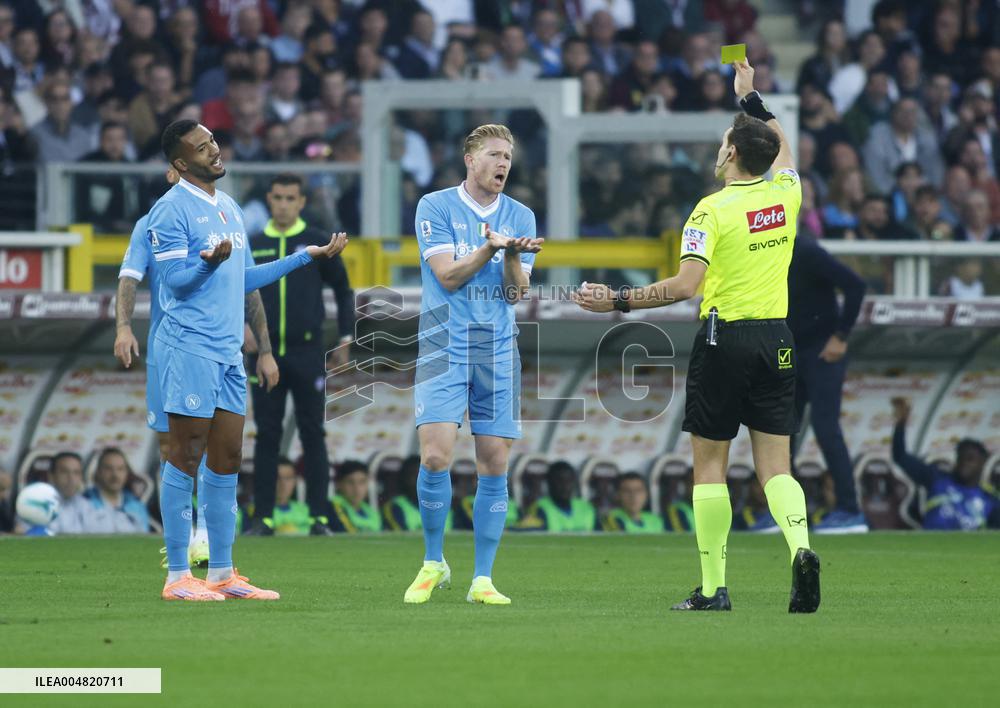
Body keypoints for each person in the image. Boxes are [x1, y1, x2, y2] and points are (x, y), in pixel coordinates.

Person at [575, 60, 820, 613]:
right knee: (777, 467)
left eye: (722, 143)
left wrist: (617, 299)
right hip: (777, 339)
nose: (718, 150)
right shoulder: (786, 194)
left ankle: (713, 588)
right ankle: (800, 548)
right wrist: (750, 96)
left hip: (724, 339)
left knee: (710, 466)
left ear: (731, 154)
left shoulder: (710, 210)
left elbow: (686, 286)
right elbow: (783, 148)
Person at [148, 118, 348, 602]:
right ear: (181, 163)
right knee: (185, 454)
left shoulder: (230, 207)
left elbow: (245, 279)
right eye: (202, 147)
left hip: (228, 352)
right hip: (189, 346)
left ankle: (221, 571)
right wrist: (207, 265)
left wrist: (306, 257)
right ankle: (178, 576)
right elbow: (174, 283)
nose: (214, 150)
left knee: (229, 457)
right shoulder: (169, 210)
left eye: (213, 141)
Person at [115, 168, 289, 568]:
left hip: (218, 347)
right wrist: (123, 327)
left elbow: (246, 282)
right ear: (174, 171)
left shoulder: (228, 212)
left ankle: (207, 539)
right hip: (170, 348)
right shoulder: (154, 221)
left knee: (221, 445)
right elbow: (129, 278)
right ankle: (180, 540)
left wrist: (264, 348)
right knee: (173, 447)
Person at [403, 123, 543, 606]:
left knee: (494, 460)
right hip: (443, 341)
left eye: (508, 157)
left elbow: (515, 293)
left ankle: (482, 578)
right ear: (470, 159)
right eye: (494, 155)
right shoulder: (435, 206)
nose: (503, 164)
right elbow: (446, 276)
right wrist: (491, 247)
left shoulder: (521, 215)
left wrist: (512, 256)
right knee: (435, 456)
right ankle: (433, 561)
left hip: (497, 346)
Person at [244, 173, 355, 538]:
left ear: (302, 202)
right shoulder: (254, 242)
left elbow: (343, 289)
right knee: (266, 435)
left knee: (313, 433)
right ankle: (263, 517)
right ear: (269, 200)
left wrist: (345, 337)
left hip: (307, 351)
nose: (284, 205)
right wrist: (241, 327)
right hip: (265, 353)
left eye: (291, 198)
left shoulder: (318, 242)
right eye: (278, 198)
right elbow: (235, 288)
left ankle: (318, 517)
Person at [787, 236, 868, 533]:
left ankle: (849, 510)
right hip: (789, 352)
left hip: (822, 351)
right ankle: (786, 512)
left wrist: (841, 335)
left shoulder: (805, 251)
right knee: (781, 433)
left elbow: (855, 285)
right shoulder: (765, 251)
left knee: (826, 429)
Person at [891, 399, 999, 530]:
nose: (964, 463)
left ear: (983, 463)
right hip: (931, 541)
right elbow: (900, 456)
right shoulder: (937, 478)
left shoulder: (989, 497)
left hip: (968, 543)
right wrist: (901, 422)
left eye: (970, 459)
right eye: (960, 458)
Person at [81, 448, 150, 534]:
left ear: (127, 473)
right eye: (108, 469)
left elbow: (144, 539)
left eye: (120, 469)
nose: (115, 475)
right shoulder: (84, 503)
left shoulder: (137, 506)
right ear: (98, 472)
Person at [517, 461, 597, 532]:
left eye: (569, 481)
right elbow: (525, 531)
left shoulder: (587, 508)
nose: (565, 486)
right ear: (549, 483)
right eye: (560, 481)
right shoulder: (540, 508)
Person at [383, 454, 453, 532]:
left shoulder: (446, 506)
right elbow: (401, 537)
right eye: (415, 475)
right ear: (405, 479)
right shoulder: (395, 507)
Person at [329, 460, 382, 533]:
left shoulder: (370, 511)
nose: (357, 489)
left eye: (362, 482)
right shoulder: (332, 506)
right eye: (350, 482)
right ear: (338, 484)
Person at [47, 451, 90, 535]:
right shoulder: (37, 505)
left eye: (76, 473)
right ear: (51, 476)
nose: (71, 478)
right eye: (64, 472)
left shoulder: (86, 506)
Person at [271, 457, 311, 535]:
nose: (282, 484)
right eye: (277, 478)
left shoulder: (307, 511)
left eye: (288, 478)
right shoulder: (257, 513)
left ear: (295, 481)